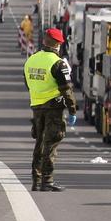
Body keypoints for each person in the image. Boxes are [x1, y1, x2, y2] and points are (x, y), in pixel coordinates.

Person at [23, 27, 78, 192]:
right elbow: (66, 89)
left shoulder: (31, 60)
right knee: (51, 143)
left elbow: (27, 83)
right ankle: (47, 181)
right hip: (54, 106)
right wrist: (73, 110)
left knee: (39, 142)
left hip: (36, 106)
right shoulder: (58, 63)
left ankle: (36, 180)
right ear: (58, 44)